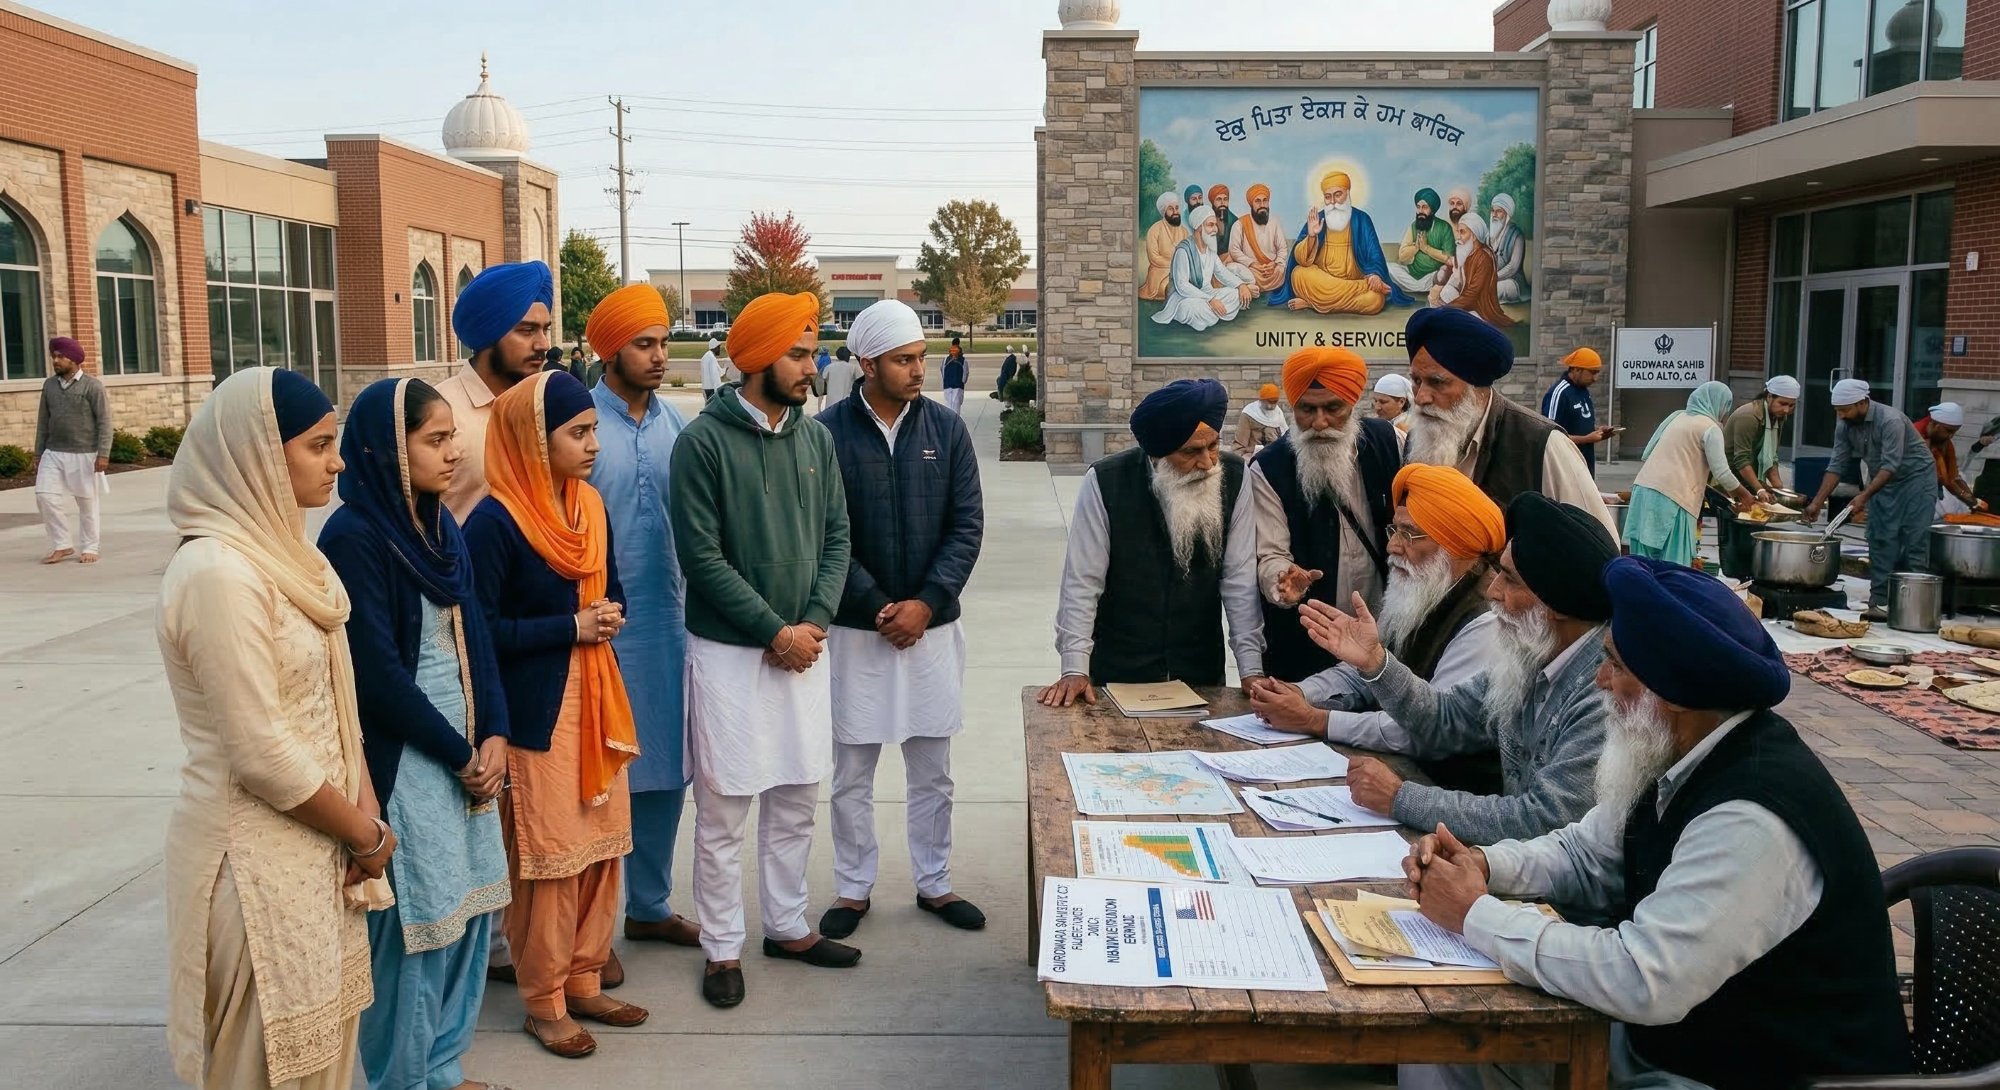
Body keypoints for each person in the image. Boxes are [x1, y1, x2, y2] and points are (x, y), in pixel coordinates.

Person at [1401, 557, 1913, 1090]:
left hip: (1752, 1074)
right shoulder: (1676, 748)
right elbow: (1587, 851)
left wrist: (1475, 914)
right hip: (1677, 1045)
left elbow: (1642, 977)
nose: (1599, 681)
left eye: (1616, 666)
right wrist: (1484, 864)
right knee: (1446, 1046)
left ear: (1669, 690)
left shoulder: (1751, 817)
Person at [158, 367, 393, 1090]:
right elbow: (259, 750)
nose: (339, 461)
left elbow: (335, 702)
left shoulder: (295, 557)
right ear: (258, 452)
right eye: (319, 445)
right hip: (253, 864)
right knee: (262, 1068)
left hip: (322, 849)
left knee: (324, 1056)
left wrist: (366, 813)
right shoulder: (218, 573)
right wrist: (362, 833)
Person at [319, 378, 511, 1090]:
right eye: (434, 440)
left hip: (466, 753)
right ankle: (400, 1078)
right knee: (417, 934)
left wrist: (494, 731)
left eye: (450, 437)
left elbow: (476, 633)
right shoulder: (356, 535)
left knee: (466, 920)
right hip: (411, 758)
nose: (453, 452)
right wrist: (462, 753)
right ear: (385, 450)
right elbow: (378, 676)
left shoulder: (439, 523)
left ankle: (442, 1065)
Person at [668, 291, 855, 1010]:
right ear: (754, 360)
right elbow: (702, 558)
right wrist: (773, 631)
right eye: (799, 354)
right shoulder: (703, 443)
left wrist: (810, 622)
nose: (813, 367)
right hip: (730, 655)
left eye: (814, 353)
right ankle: (722, 948)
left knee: (798, 794)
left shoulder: (816, 440)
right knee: (724, 808)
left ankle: (787, 925)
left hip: (805, 647)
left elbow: (837, 537)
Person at [464, 370, 647, 1057]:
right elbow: (479, 634)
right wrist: (568, 628)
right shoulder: (494, 522)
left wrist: (607, 616)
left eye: (594, 429)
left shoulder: (588, 506)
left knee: (602, 854)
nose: (593, 442)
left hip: (597, 702)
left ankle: (585, 976)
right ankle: (543, 1001)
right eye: (578, 432)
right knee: (551, 863)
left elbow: (613, 588)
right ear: (532, 444)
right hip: (538, 716)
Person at [1298, 493, 1617, 847]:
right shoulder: (1532, 653)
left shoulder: (1605, 690)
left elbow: (1543, 819)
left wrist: (1402, 798)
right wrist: (1375, 662)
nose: (1493, 592)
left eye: (1510, 580)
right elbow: (1443, 718)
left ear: (1558, 602)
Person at [815, 299, 987, 942]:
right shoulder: (825, 434)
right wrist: (875, 606)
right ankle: (853, 888)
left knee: (932, 768)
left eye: (922, 358)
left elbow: (966, 526)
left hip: (933, 630)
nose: (920, 370)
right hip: (858, 631)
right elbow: (826, 534)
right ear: (867, 363)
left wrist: (926, 603)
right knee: (853, 770)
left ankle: (934, 883)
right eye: (904, 360)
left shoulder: (947, 431)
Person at [583, 286, 702, 953]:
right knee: (600, 780)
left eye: (663, 342)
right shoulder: (577, 420)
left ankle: (649, 907)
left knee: (663, 771)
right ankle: (590, 931)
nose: (660, 356)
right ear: (610, 350)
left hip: (667, 626)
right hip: (595, 632)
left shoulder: (674, 423)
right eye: (645, 344)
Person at [1040, 379, 1263, 706]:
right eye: (1191, 452)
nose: (1207, 462)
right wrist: (1074, 667)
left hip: (1201, 673)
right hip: (1118, 671)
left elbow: (1239, 578)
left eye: (1213, 445)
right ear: (1157, 453)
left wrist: (1251, 667)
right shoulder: (1106, 481)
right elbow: (1082, 581)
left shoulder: (1235, 477)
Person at [1249, 464, 1502, 752]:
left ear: (1455, 544)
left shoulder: (1487, 621)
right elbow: (1366, 672)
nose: (1393, 546)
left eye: (1409, 534)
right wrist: (1298, 692)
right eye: (1395, 530)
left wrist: (1316, 720)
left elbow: (1430, 726)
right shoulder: (1426, 588)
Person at [1252, 348, 1401, 681]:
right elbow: (1270, 553)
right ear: (1293, 408)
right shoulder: (1269, 467)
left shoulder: (1390, 442)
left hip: (1387, 635)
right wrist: (1284, 579)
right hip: (1310, 638)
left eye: (1333, 408)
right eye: (1307, 409)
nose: (1319, 423)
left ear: (1353, 404)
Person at [1403, 308, 1615, 532]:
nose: (1420, 397)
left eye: (1437, 382)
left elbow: (1599, 544)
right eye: (1416, 380)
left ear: (1477, 389)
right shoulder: (1419, 438)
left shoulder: (1542, 445)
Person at [1802, 380, 1935, 621]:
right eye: (1837, 411)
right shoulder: (1845, 425)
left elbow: (1891, 465)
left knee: (1914, 537)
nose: (1841, 415)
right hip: (1882, 482)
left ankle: (1913, 605)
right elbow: (1837, 465)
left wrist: (1863, 496)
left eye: (1845, 410)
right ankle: (1880, 601)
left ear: (1863, 402)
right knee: (1881, 537)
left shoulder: (1890, 420)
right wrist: (1817, 502)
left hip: (1915, 480)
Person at [434, 261, 556, 523]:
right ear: (490, 333)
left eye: (545, 329)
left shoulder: (543, 406)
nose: (543, 344)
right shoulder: (440, 411)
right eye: (527, 330)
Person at [1626, 382, 1753, 566]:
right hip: (1673, 498)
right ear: (1720, 404)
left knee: (1643, 563)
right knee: (1673, 566)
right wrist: (1745, 495)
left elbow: (1649, 454)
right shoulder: (1711, 428)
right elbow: (1722, 473)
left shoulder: (1677, 417)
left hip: (1644, 490)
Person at [1273, 171, 1402, 315]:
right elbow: (1301, 261)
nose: (1333, 201)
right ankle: (1361, 287)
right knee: (1298, 274)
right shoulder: (1318, 218)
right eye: (1328, 197)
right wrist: (1311, 236)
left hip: (1349, 279)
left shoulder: (1362, 219)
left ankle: (1313, 304)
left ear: (1348, 193)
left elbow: (1375, 254)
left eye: (1338, 194)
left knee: (1375, 301)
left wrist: (1375, 275)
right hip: (1323, 281)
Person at [33, 335, 110, 564]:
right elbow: (43, 421)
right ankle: (62, 544)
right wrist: (38, 452)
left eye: (60, 356)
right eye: (54, 356)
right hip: (53, 452)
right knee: (44, 496)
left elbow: (105, 422)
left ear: (74, 359)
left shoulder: (92, 386)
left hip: (84, 453)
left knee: (86, 503)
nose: (55, 360)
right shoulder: (49, 385)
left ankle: (90, 547)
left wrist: (103, 453)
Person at [1152, 204, 1254, 332]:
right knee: (1194, 309)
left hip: (1208, 293)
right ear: (1199, 227)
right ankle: (1214, 313)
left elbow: (1222, 273)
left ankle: (1213, 313)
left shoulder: (1210, 250)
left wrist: (1241, 285)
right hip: (1185, 298)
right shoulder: (1183, 251)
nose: (1216, 229)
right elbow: (1182, 286)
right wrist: (1210, 300)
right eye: (1211, 225)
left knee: (1234, 294)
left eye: (1215, 225)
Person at [1430, 213, 1515, 328]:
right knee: (1446, 292)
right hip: (1468, 304)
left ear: (1474, 236)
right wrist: (1438, 295)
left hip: (1481, 310)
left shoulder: (1484, 257)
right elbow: (1456, 281)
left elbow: (1472, 294)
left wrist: (1446, 308)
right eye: (1458, 232)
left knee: (1468, 319)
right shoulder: (1468, 253)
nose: (1458, 237)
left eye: (1462, 232)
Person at [1723, 374, 1800, 501]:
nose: (1786, 410)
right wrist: (1759, 489)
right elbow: (1741, 459)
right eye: (1783, 403)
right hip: (1727, 476)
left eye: (1791, 406)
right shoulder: (1749, 416)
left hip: (1747, 474)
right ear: (1769, 397)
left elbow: (1772, 456)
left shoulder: (1778, 417)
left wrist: (1779, 489)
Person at [1388, 188, 1456, 299]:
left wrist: (1426, 248)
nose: (1420, 211)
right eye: (1418, 207)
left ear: (1432, 210)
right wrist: (1416, 247)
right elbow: (1402, 256)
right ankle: (1417, 287)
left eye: (1425, 207)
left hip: (1432, 276)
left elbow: (1449, 259)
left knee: (1444, 274)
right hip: (1411, 275)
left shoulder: (1444, 227)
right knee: (1388, 267)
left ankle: (1413, 288)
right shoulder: (1414, 226)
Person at [1918, 402, 1984, 514]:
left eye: (1954, 432)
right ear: (1936, 426)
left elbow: (1952, 477)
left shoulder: (1944, 442)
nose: (1951, 436)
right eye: (1949, 431)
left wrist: (1973, 502)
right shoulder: (1914, 438)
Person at [1225, 182, 1287, 295]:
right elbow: (1234, 250)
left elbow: (1282, 248)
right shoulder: (1240, 224)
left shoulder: (1275, 222)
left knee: (1281, 270)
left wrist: (1274, 264)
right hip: (1250, 269)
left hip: (1271, 270)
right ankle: (1248, 287)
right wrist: (1253, 264)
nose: (1262, 205)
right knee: (1232, 268)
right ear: (1251, 204)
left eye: (1265, 200)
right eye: (1257, 201)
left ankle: (1252, 288)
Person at [1141, 191, 1187, 302]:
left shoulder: (1184, 231)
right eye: (1171, 209)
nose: (1175, 212)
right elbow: (1154, 258)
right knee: (1169, 287)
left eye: (1177, 208)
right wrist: (1175, 265)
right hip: (1160, 274)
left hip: (1180, 272)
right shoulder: (1154, 230)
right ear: (1164, 211)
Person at [1486, 193, 1529, 304]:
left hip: (1512, 281)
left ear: (1507, 214)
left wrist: (1492, 278)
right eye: (1492, 211)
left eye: (1499, 211)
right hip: (1490, 280)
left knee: (1489, 292)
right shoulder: (1488, 236)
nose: (1494, 214)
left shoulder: (1517, 235)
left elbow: (1513, 267)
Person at [1235, 383, 1290, 456]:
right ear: (1261, 400)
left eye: (1274, 402)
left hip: (1274, 454)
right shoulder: (1249, 414)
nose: (1271, 406)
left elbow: (1285, 438)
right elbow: (1240, 446)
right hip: (1252, 455)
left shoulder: (1278, 413)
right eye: (1269, 402)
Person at [1207, 184, 1237, 258]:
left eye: (1225, 199)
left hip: (1230, 260)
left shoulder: (1235, 221)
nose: (1222, 203)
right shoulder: (1206, 220)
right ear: (1212, 202)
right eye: (1219, 199)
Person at [941, 337, 967, 415]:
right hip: (958, 384)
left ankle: (950, 421)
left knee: (949, 404)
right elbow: (966, 372)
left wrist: (945, 379)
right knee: (956, 405)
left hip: (947, 384)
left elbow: (942, 369)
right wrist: (963, 381)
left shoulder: (946, 359)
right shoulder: (962, 360)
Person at [700, 337, 723, 402]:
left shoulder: (705, 356)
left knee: (708, 407)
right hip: (712, 389)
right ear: (715, 348)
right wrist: (718, 391)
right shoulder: (712, 358)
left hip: (705, 388)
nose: (719, 349)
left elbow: (719, 371)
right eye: (718, 347)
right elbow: (714, 375)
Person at [812, 345, 833, 412]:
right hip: (827, 378)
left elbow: (816, 367)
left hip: (820, 378)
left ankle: (819, 410)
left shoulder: (819, 358)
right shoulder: (828, 358)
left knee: (820, 395)